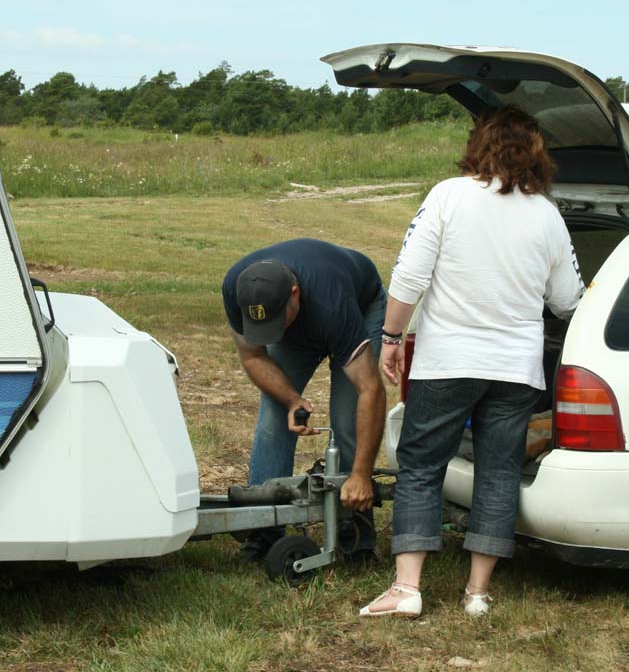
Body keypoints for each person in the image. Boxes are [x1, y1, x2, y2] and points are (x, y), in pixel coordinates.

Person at [360, 107, 584, 618]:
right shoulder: (547, 214)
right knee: (499, 472)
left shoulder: (448, 195)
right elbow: (567, 299)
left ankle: (408, 588)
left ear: (477, 145)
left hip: (449, 360)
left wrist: (391, 338)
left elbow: (410, 275)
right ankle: (477, 593)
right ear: (536, 154)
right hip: (516, 368)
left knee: (422, 465)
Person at [222, 239, 387, 563]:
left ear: (294, 294)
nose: (271, 332)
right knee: (273, 421)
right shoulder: (236, 288)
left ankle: (357, 533)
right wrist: (291, 399)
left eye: (275, 321)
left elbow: (371, 390)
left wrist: (361, 474)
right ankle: (263, 530)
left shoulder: (332, 304)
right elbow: (253, 356)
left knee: (347, 420)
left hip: (358, 308)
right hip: (307, 322)